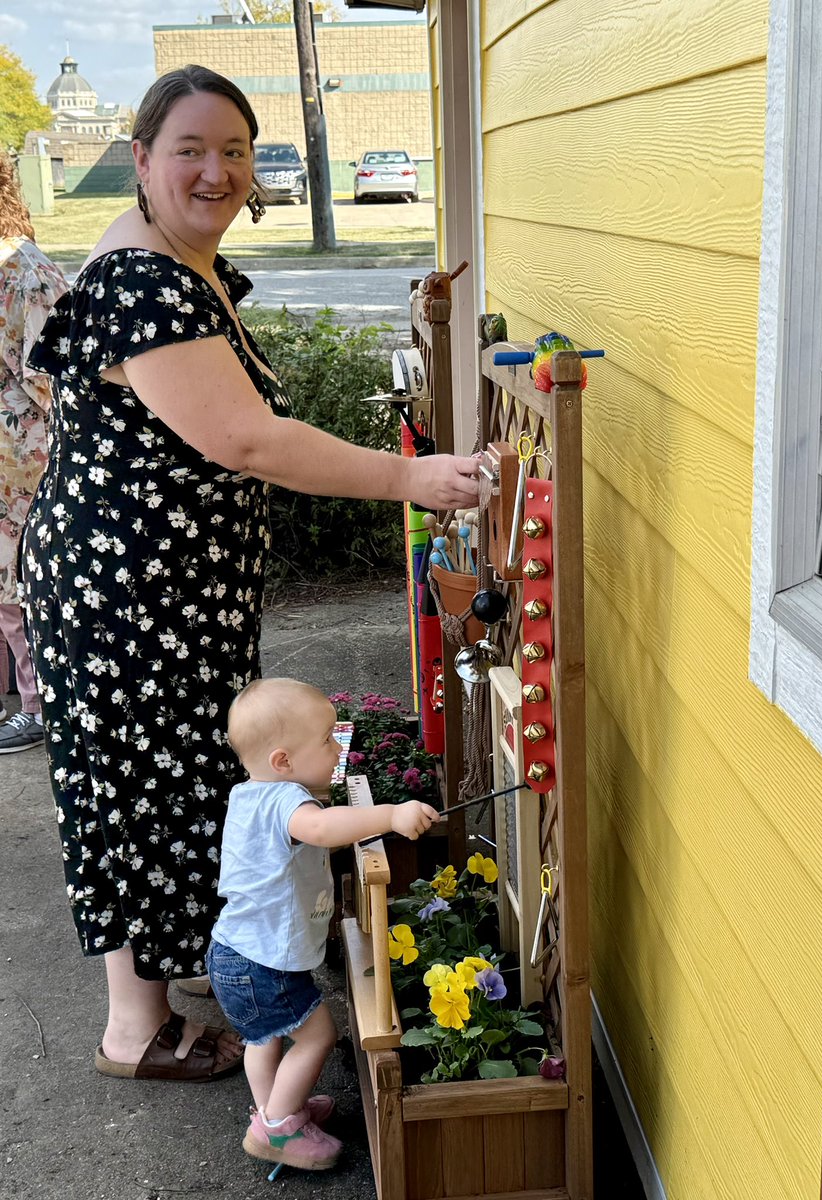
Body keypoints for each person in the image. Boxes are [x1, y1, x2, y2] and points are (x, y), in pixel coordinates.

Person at [19, 64, 479, 1084]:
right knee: (139, 792)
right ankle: (132, 1031)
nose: (217, 171)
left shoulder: (176, 264)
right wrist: (411, 476)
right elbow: (247, 440)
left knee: (174, 778)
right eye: (189, 149)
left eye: (235, 150)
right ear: (139, 160)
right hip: (128, 595)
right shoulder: (144, 279)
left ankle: (162, 988)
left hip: (159, 589)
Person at [208, 677, 439, 1170]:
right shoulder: (289, 802)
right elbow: (321, 827)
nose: (339, 749)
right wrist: (391, 815)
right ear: (283, 762)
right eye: (328, 739)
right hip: (262, 963)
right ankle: (277, 1128)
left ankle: (274, 1110)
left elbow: (306, 842)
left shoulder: (249, 796)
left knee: (262, 1038)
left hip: (234, 952)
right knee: (316, 1035)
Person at [0, 153, 67, 752]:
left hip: (29, 463)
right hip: (9, 462)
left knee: (19, 588)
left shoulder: (28, 276)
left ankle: (40, 708)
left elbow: (58, 384)